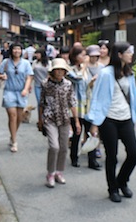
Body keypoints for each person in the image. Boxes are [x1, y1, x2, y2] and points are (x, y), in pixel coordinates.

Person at [87, 41, 136, 203]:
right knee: (112, 156)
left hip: (126, 118)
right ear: (119, 55)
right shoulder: (106, 73)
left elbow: (134, 91)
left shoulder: (129, 72)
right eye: (128, 52)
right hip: (109, 119)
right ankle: (113, 188)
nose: (131, 54)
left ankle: (122, 181)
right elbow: (97, 98)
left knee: (133, 154)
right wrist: (94, 123)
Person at [37, 58, 80, 188]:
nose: (60, 72)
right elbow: (42, 103)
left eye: (62, 70)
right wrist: (40, 120)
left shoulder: (68, 84)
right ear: (53, 71)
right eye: (57, 70)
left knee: (63, 147)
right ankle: (50, 172)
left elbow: (72, 103)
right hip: (50, 118)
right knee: (54, 146)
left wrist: (76, 121)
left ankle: (59, 172)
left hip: (65, 118)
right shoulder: (45, 84)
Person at [68, 45, 101, 170]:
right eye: (82, 55)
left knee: (90, 132)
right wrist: (85, 67)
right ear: (75, 56)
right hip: (76, 105)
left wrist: (92, 81)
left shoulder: (84, 69)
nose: (84, 58)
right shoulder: (69, 69)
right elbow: (77, 79)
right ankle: (74, 158)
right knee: (77, 132)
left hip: (88, 104)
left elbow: (87, 85)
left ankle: (92, 161)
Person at [0, 42, 33, 153]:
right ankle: (15, 141)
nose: (17, 51)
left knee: (19, 117)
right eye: (15, 49)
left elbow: (29, 77)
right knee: (12, 115)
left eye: (19, 49)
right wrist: (2, 76)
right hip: (9, 91)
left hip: (21, 91)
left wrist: (26, 89)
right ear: (11, 50)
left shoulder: (26, 63)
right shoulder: (6, 62)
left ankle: (12, 135)